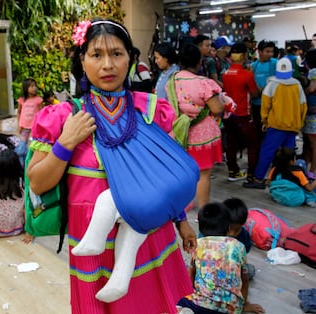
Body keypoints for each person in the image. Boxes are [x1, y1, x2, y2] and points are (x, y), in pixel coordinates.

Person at [27, 18, 199, 313]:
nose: (107, 65)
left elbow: (166, 176)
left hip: (149, 231)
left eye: (116, 54)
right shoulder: (62, 117)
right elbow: (38, 185)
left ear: (131, 58)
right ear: (82, 60)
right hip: (92, 238)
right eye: (96, 55)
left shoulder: (152, 110)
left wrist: (182, 221)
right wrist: (65, 143)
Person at [168, 43, 229, 209]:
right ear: (199, 61)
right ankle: (203, 210)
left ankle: (185, 205)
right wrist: (224, 103)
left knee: (184, 172)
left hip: (179, 133)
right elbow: (216, 108)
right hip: (202, 135)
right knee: (203, 174)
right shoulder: (204, 83)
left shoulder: (172, 80)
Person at [177, 202, 265, 314]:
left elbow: (191, 273)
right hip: (231, 309)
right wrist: (244, 305)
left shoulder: (198, 244)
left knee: (178, 301)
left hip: (201, 304)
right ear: (228, 227)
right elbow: (245, 279)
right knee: (248, 270)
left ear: (201, 228)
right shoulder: (238, 246)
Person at [244, 58, 307, 189]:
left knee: (267, 152)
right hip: (293, 126)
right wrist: (299, 123)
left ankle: (259, 179)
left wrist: (265, 121)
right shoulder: (297, 85)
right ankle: (286, 180)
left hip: (276, 125)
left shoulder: (272, 84)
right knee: (288, 155)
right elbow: (303, 106)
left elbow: (265, 106)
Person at [222, 42, 260, 182]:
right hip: (244, 115)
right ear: (244, 56)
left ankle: (233, 171)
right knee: (253, 144)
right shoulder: (247, 75)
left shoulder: (225, 74)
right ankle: (251, 174)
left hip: (229, 114)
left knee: (231, 144)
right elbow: (255, 94)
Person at [223, 197, 256, 280]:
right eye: (229, 229)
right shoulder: (214, 231)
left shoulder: (244, 235)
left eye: (237, 230)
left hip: (232, 266)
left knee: (250, 271)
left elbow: (244, 253)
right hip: (213, 264)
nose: (232, 233)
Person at [250, 40, 278, 137]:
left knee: (272, 131)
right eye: (267, 51)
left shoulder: (276, 63)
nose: (270, 54)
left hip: (272, 104)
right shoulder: (253, 66)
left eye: (272, 51)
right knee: (259, 129)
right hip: (257, 104)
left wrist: (264, 90)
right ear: (260, 52)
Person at [302, 49, 316, 178]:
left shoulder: (313, 71)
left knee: (312, 143)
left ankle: (312, 170)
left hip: (312, 112)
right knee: (309, 143)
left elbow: (311, 88)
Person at [17, 78, 43, 143]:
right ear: (26, 88)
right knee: (23, 143)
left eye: (35, 86)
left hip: (35, 127)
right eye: (32, 86)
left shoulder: (39, 100)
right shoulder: (22, 100)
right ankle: (25, 153)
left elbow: (42, 114)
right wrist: (19, 125)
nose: (34, 88)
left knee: (34, 144)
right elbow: (19, 112)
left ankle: (32, 153)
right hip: (24, 127)